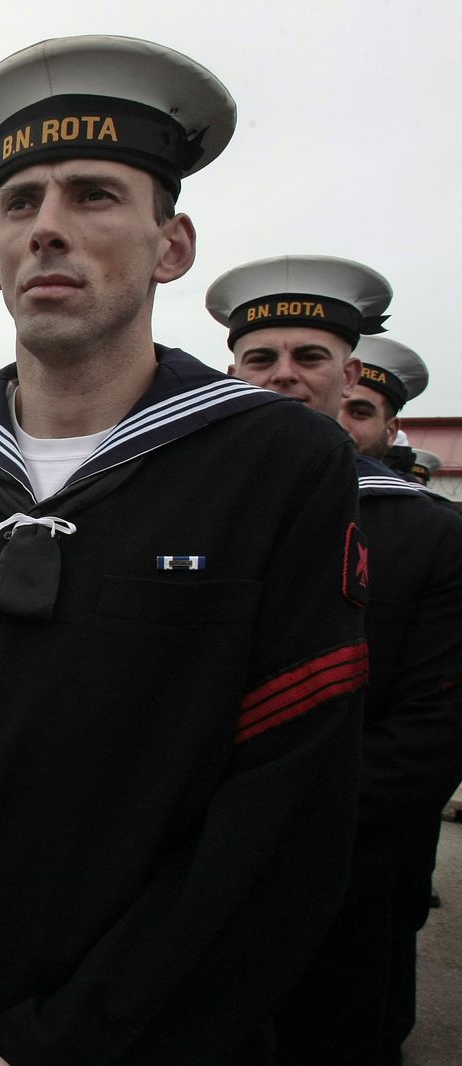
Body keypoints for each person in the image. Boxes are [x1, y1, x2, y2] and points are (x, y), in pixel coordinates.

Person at [0, 36, 364, 1064]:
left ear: (172, 244)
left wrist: (60, 1040)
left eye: (94, 195)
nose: (47, 228)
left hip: (153, 1033)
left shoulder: (273, 464)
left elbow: (286, 797)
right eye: (18, 201)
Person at [213, 266, 462, 1063]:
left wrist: (269, 824)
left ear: (349, 375)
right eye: (261, 358)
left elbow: (434, 731)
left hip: (343, 876)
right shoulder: (184, 505)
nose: (284, 375)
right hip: (176, 880)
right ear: (231, 374)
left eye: (309, 356)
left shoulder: (428, 536)